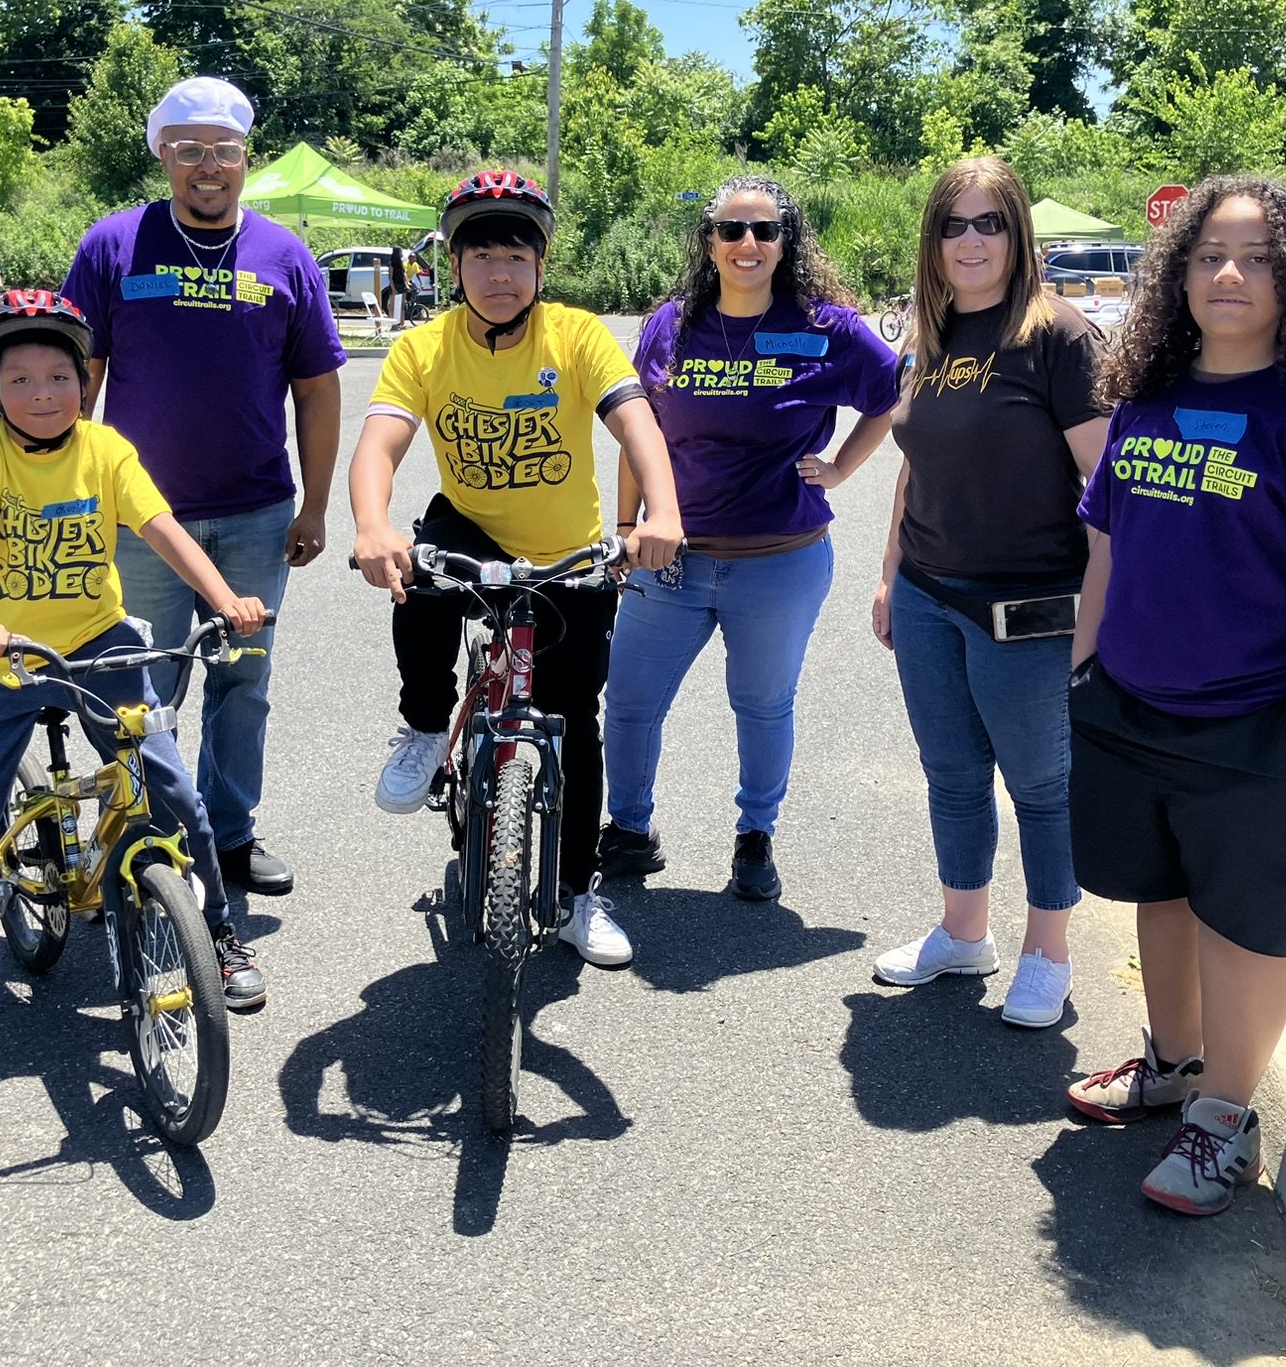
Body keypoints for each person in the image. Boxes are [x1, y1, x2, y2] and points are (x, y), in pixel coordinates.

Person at [1063, 176, 1286, 1216]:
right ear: (1175, 272)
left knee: (1243, 929)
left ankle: (1223, 1116)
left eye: (1257, 256)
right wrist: (1084, 672)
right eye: (1209, 253)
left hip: (1255, 727)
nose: (1227, 273)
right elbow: (1104, 544)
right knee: (1158, 897)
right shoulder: (1149, 397)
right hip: (1126, 707)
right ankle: (1171, 1066)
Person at [0, 289, 272, 1050]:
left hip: (99, 640)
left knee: (175, 795)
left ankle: (218, 935)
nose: (42, 393)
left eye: (59, 375)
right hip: (0, 654)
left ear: (85, 382)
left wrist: (226, 599)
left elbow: (159, 526)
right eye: (20, 379)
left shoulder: (106, 450)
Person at [349, 170, 683, 967]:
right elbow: (381, 444)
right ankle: (429, 725)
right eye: (481, 256)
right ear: (452, 265)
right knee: (422, 566)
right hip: (474, 532)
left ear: (540, 266)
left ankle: (575, 896)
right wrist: (369, 523)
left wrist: (661, 515)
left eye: (516, 256)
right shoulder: (424, 347)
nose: (499, 275)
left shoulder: (574, 335)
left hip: (568, 552)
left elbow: (636, 423)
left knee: (575, 723)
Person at [62, 77, 345, 899]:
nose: (207, 166)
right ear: (162, 156)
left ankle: (229, 835)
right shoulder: (113, 245)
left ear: (245, 158)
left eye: (222, 150)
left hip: (258, 514)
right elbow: (80, 378)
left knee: (241, 683)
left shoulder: (284, 255)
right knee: (142, 691)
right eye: (188, 150)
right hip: (141, 519)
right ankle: (154, 841)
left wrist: (317, 505)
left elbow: (318, 388)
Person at [599, 175, 900, 903]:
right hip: (671, 559)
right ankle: (630, 831)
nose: (748, 245)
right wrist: (626, 525)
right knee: (632, 702)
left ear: (786, 242)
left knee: (762, 704)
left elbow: (893, 395)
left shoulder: (825, 327)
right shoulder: (671, 324)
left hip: (780, 560)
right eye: (731, 230)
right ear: (708, 241)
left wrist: (838, 467)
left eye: (765, 231)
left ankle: (755, 836)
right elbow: (638, 431)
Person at [870, 157, 1110, 1029]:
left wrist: (1100, 619)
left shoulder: (1057, 336)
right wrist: (891, 574)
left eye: (989, 224)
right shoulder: (927, 338)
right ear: (932, 242)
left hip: (1030, 606)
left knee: (1041, 785)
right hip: (930, 593)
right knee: (953, 776)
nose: (970, 242)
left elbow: (1107, 488)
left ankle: (1048, 952)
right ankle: (963, 932)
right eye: (953, 225)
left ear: (1018, 234)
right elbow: (914, 469)